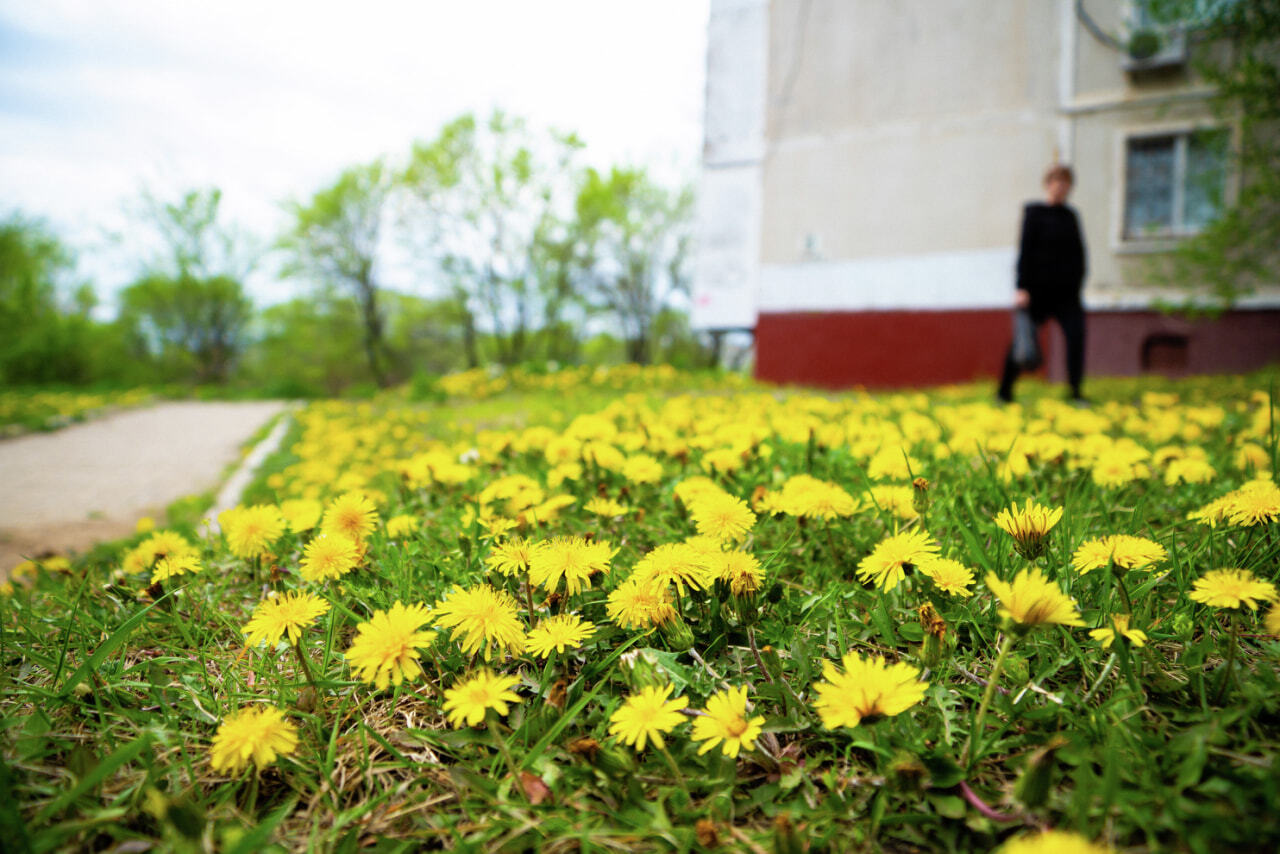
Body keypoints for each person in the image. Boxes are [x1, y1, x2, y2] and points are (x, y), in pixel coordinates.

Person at [997, 164, 1087, 404]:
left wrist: (1078, 285)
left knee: (1076, 339)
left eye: (1065, 182)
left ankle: (1075, 392)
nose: (1060, 186)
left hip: (1067, 295)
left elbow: (1079, 254)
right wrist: (1021, 287)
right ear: (1048, 184)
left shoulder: (1071, 217)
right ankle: (1004, 392)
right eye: (1056, 181)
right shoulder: (1034, 212)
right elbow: (1025, 251)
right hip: (1037, 292)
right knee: (1022, 340)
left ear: (1069, 188)